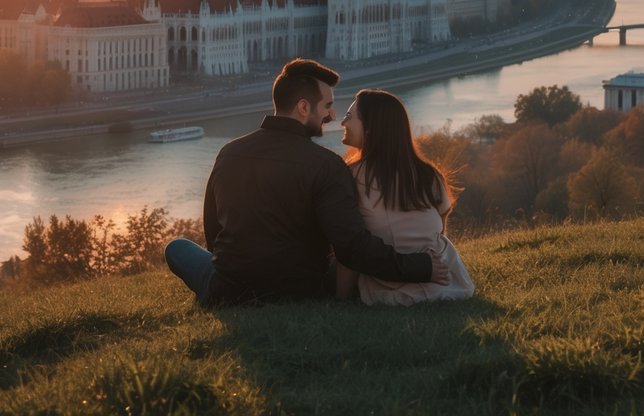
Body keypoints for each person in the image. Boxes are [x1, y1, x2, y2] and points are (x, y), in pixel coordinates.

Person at [164, 58, 448, 306]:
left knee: (176, 247)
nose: (333, 116)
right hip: (301, 289)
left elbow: (213, 234)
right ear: (303, 107)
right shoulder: (327, 166)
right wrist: (420, 267)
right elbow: (351, 247)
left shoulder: (228, 153)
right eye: (328, 106)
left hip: (227, 290)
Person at [336, 89, 474, 305]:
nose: (343, 122)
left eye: (349, 117)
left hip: (388, 289)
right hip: (448, 281)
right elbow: (440, 227)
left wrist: (340, 300)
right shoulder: (428, 174)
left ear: (371, 129)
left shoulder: (350, 176)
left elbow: (349, 246)